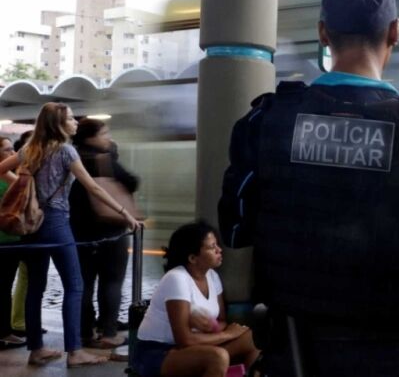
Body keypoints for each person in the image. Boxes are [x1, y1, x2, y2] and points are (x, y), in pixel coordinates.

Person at [219, 0, 399, 377]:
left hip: (296, 352)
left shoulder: (267, 121)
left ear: (323, 33)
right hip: (393, 355)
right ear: (394, 32)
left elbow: (234, 228)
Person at [0, 102, 139, 368]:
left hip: (32, 223)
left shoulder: (31, 149)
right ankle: (75, 351)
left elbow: (1, 168)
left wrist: (21, 188)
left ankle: (36, 350)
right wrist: (125, 213)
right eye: (71, 119)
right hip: (55, 222)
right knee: (75, 286)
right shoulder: (66, 151)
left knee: (36, 288)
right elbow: (93, 188)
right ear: (59, 125)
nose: (76, 122)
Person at [131, 221, 259, 377]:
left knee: (254, 339)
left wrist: (213, 328)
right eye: (212, 247)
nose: (219, 250)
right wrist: (227, 335)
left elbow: (222, 320)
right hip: (157, 352)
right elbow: (184, 339)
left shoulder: (212, 276)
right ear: (193, 258)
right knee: (217, 357)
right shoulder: (177, 279)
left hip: (196, 346)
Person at [69, 118, 139, 348]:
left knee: (84, 283)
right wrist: (112, 158)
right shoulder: (103, 158)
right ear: (91, 136)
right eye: (104, 132)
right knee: (111, 280)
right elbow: (130, 181)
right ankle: (109, 333)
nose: (108, 137)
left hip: (79, 230)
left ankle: (84, 334)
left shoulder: (71, 156)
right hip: (110, 229)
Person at [0, 136, 25, 348]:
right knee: (4, 287)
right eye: (8, 150)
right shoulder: (5, 177)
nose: (11, 154)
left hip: (9, 240)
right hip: (6, 240)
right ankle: (4, 332)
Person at [9, 129, 32, 338]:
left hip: (19, 232)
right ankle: (17, 322)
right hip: (13, 233)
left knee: (25, 277)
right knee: (20, 278)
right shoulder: (16, 173)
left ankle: (19, 321)